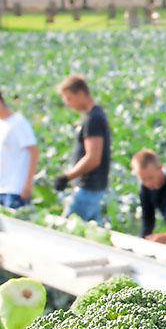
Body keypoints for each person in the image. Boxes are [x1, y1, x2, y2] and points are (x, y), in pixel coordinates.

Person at [53, 75, 111, 223]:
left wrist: (67, 176)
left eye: (69, 98)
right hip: (93, 187)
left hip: (88, 188)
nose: (67, 103)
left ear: (80, 93)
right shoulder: (93, 116)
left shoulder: (93, 119)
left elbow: (93, 158)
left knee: (67, 233)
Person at [0, 87, 38, 210]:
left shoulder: (18, 122)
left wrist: (28, 183)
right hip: (0, 187)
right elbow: (2, 152)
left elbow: (34, 152)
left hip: (16, 188)